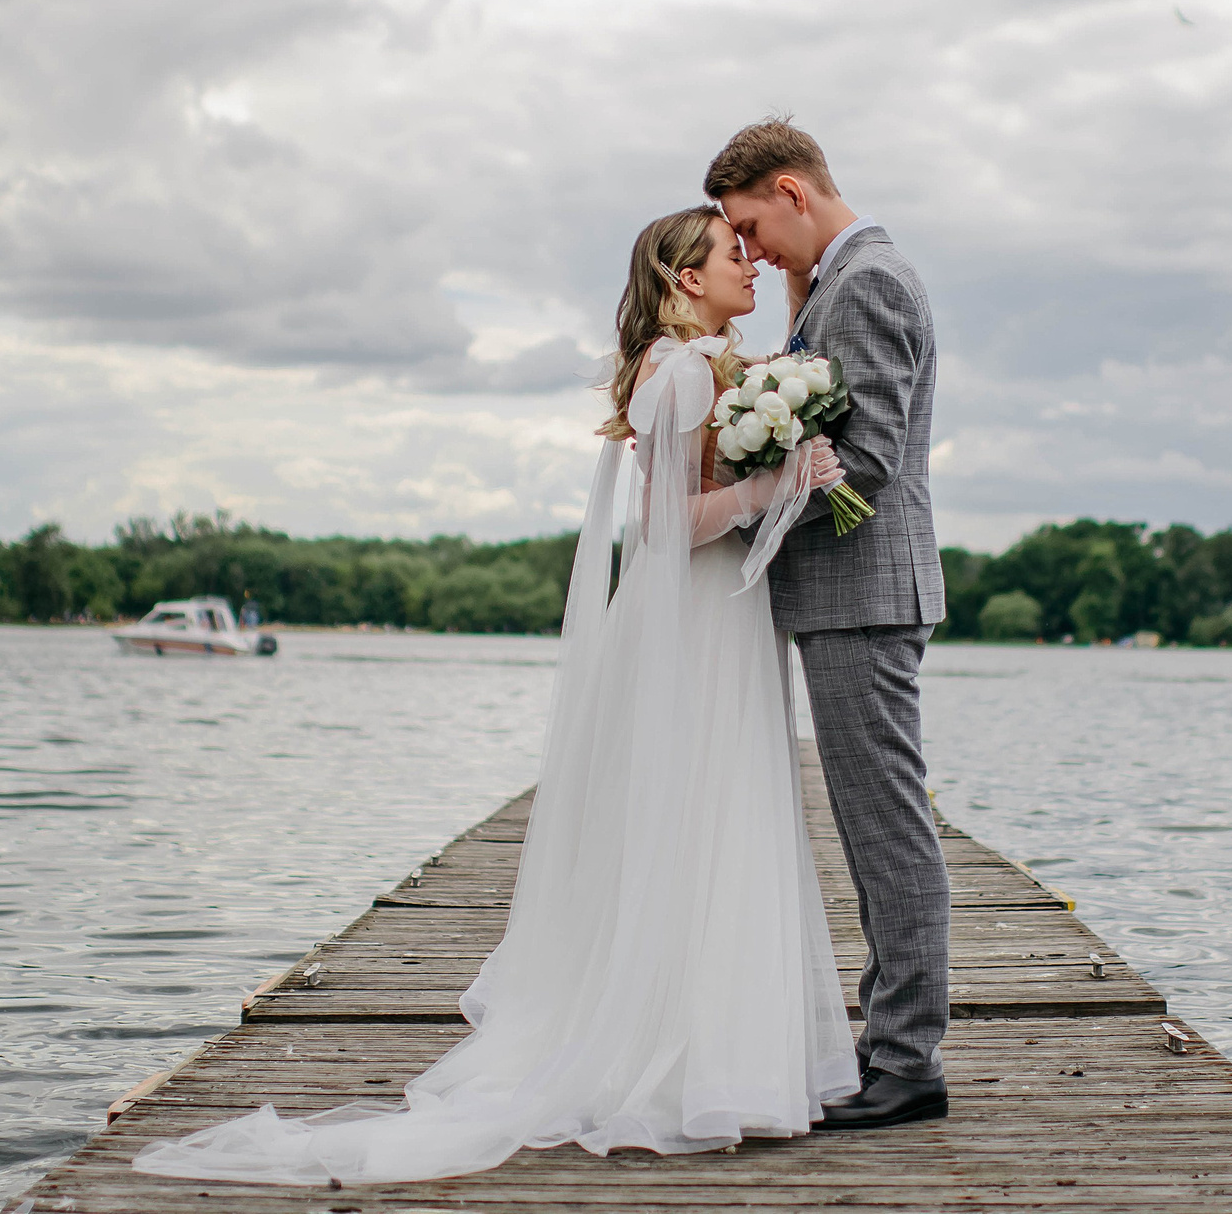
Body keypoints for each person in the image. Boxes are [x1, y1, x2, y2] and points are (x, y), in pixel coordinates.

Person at [131, 205, 859, 1187]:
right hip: (692, 619)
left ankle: (711, 1054)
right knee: (706, 814)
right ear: (686, 278)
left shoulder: (694, 364)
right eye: (735, 254)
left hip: (708, 614)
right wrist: (774, 486)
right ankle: (695, 1063)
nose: (752, 265)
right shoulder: (683, 369)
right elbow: (663, 525)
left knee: (703, 817)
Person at [705, 117, 949, 1131]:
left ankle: (907, 1061)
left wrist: (747, 495)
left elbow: (872, 457)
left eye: (753, 227)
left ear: (794, 192)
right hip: (850, 596)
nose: (754, 251)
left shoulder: (869, 282)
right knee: (868, 822)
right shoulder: (833, 286)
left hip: (865, 594)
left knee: (885, 827)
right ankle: (888, 1043)